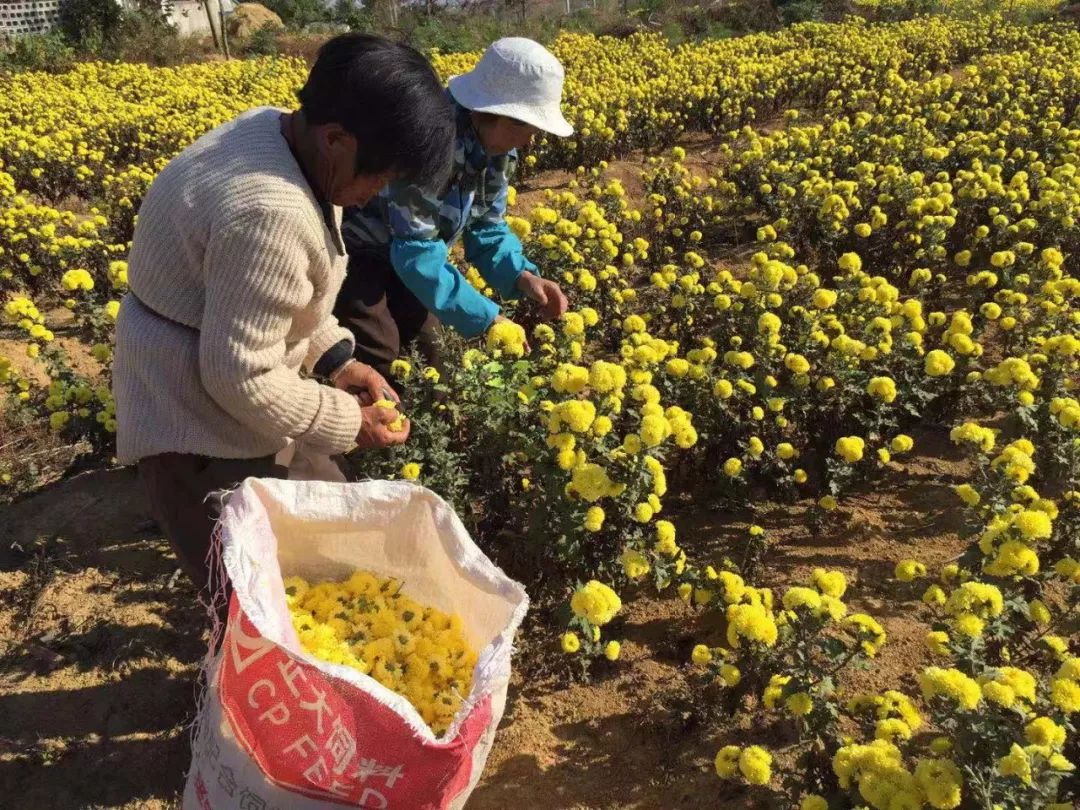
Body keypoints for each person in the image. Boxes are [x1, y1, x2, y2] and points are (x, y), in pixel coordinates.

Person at [112, 34, 456, 601]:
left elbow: (267, 292)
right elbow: (239, 376)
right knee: (254, 592)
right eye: (380, 177)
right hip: (194, 419)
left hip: (218, 369)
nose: (379, 195)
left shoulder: (279, 132)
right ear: (336, 139)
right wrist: (349, 422)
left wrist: (338, 359)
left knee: (324, 547)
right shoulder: (270, 210)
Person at [336, 37, 574, 377]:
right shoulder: (429, 141)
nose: (530, 141)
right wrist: (489, 319)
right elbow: (415, 250)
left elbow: (488, 227)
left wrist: (521, 276)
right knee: (381, 354)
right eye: (528, 127)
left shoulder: (499, 153)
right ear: (493, 113)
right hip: (358, 252)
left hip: (411, 255)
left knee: (432, 350)